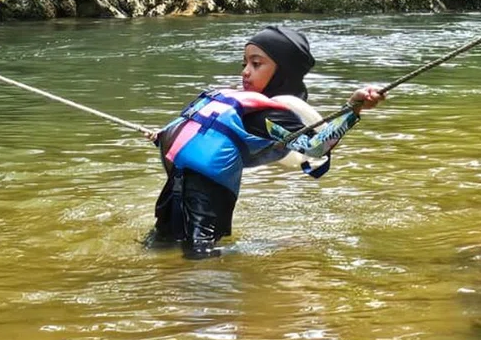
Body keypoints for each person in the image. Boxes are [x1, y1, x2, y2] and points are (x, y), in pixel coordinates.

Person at [145, 24, 382, 258]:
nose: (245, 72)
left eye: (256, 64)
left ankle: (270, 247)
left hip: (206, 191)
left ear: (283, 71)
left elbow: (315, 147)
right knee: (162, 244)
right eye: (245, 64)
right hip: (179, 181)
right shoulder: (236, 103)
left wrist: (352, 108)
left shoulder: (269, 116)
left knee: (199, 253)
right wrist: (164, 135)